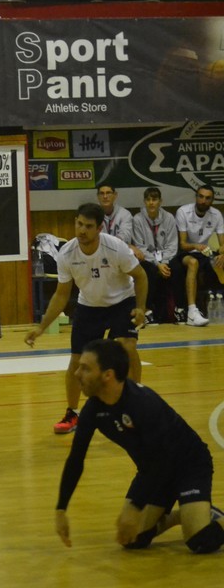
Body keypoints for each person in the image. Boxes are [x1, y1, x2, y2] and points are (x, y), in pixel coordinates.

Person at [55, 339, 224, 554]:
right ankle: (180, 515)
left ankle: (199, 514)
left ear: (108, 375)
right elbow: (76, 459)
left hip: (188, 465)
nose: (77, 373)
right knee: (131, 539)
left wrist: (135, 507)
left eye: (86, 368)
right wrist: (61, 509)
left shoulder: (143, 403)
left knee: (199, 540)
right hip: (153, 470)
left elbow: (163, 458)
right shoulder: (93, 409)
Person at [25, 203, 147, 435]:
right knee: (77, 361)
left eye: (88, 226)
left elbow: (141, 277)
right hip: (89, 306)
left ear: (99, 228)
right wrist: (41, 327)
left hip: (122, 301)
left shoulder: (116, 248)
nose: (82, 230)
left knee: (127, 346)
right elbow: (61, 295)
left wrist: (140, 308)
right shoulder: (66, 254)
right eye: (79, 224)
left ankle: (135, 406)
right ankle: (72, 413)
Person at [171, 185, 224, 327]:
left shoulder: (216, 214)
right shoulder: (183, 211)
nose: (203, 201)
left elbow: (222, 244)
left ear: (212, 200)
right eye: (200, 196)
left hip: (206, 252)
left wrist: (222, 254)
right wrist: (196, 246)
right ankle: (192, 312)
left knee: (220, 262)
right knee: (193, 263)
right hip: (186, 252)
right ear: (196, 197)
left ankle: (218, 305)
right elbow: (182, 244)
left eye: (207, 198)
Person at [130, 187, 177, 324]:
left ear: (160, 201)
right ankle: (146, 310)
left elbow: (172, 245)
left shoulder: (169, 218)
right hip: (147, 259)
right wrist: (158, 264)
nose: (151, 203)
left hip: (166, 258)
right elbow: (139, 247)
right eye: (148, 199)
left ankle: (179, 309)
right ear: (144, 201)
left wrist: (164, 262)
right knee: (149, 270)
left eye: (154, 199)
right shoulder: (137, 219)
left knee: (178, 269)